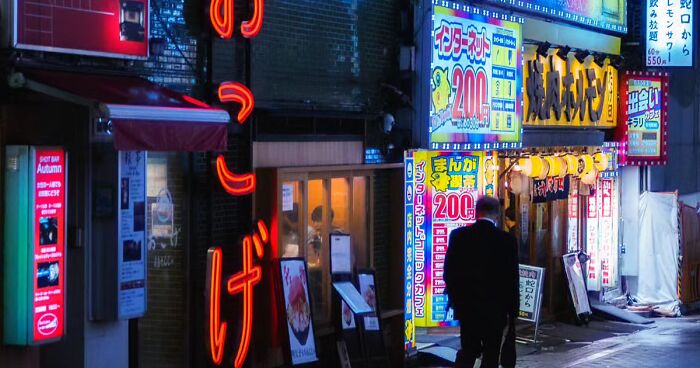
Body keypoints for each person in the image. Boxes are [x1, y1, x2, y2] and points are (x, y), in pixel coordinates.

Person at [445, 196, 519, 368]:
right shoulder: (506, 241)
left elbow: (449, 272)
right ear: (497, 214)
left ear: (476, 212)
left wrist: (456, 300)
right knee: (491, 354)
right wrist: (513, 311)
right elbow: (512, 278)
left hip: (467, 308)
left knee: (468, 350)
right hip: (496, 309)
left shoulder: (459, 236)